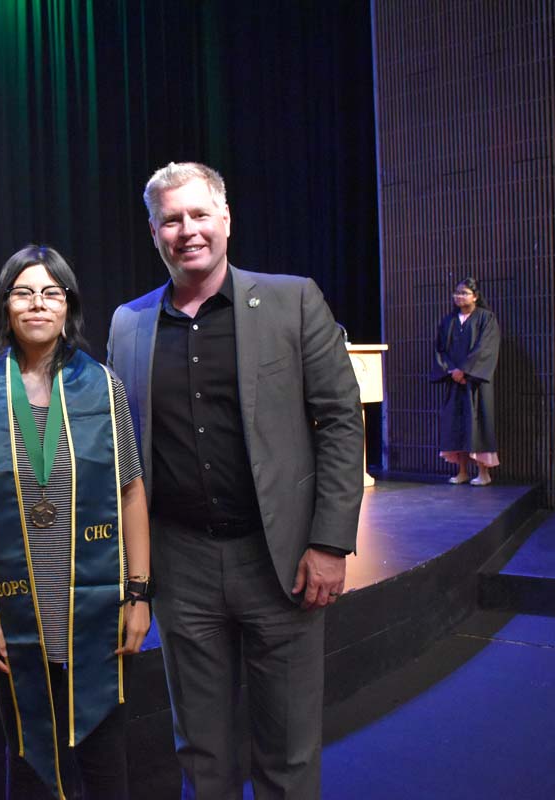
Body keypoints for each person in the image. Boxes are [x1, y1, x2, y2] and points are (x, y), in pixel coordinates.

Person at [106, 162, 364, 799]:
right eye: (171, 219)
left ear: (226, 220)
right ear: (153, 231)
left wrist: (331, 543)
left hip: (279, 560)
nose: (186, 230)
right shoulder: (129, 324)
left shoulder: (291, 299)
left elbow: (338, 422)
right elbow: (121, 451)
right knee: (202, 751)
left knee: (288, 751)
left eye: (199, 215)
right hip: (181, 565)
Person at [0, 245, 151, 799]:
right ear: (5, 305)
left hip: (97, 609)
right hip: (15, 612)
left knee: (106, 762)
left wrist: (139, 593)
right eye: (23, 292)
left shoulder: (103, 387)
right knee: (31, 760)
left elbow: (131, 490)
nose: (37, 304)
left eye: (51, 293)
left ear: (68, 306)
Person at [431, 277, 501, 486]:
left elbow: (485, 348)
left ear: (476, 296)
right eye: (457, 293)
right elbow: (440, 349)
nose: (459, 297)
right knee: (456, 424)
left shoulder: (486, 319)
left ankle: (483, 473)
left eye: (464, 293)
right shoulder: (449, 321)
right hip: (455, 380)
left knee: (478, 422)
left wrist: (465, 370)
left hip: (476, 381)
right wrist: (451, 370)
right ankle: (461, 471)